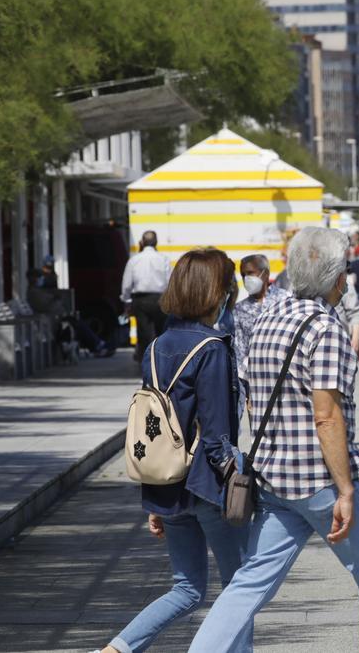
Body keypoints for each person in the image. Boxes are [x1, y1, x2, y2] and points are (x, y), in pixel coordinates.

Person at [187, 227, 359, 653]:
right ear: (338, 277)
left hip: (272, 478)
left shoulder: (270, 316)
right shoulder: (326, 328)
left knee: (250, 581)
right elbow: (326, 416)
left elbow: (250, 396)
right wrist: (345, 489)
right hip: (322, 480)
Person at [98, 248, 250, 653]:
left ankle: (117, 648)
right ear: (214, 291)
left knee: (187, 589)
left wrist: (156, 502)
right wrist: (237, 480)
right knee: (240, 589)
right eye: (227, 285)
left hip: (167, 483)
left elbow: (161, 425)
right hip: (207, 485)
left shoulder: (156, 346)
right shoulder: (213, 348)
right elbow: (216, 433)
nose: (231, 293)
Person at [121, 230, 172, 362]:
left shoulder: (134, 260)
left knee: (143, 334)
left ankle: (146, 365)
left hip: (141, 300)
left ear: (142, 242)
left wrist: (127, 300)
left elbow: (127, 284)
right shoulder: (164, 259)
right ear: (156, 243)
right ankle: (161, 362)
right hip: (160, 299)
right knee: (161, 333)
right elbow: (170, 282)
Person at [232, 254, 285, 371]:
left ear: (265, 274)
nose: (246, 278)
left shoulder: (285, 300)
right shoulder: (239, 309)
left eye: (250, 273)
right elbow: (240, 349)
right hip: (255, 377)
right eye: (243, 275)